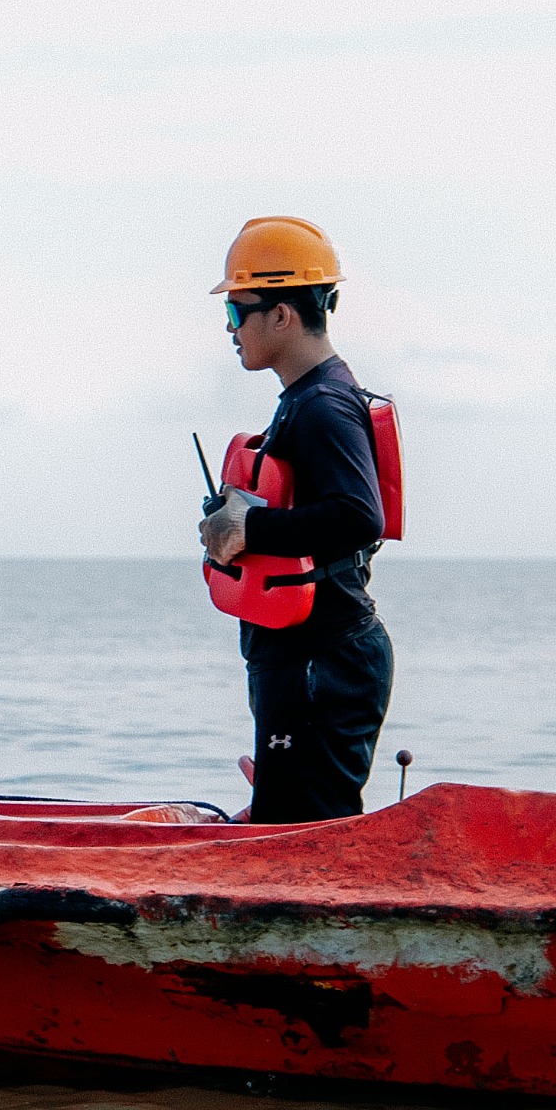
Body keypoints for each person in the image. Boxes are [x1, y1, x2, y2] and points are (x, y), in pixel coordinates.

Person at [196, 216, 396, 823]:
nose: (229, 330)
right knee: (287, 827)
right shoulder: (309, 398)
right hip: (309, 658)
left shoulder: (323, 405)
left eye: (237, 312)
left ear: (281, 315)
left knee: (305, 839)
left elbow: (360, 516)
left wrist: (246, 530)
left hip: (324, 660)